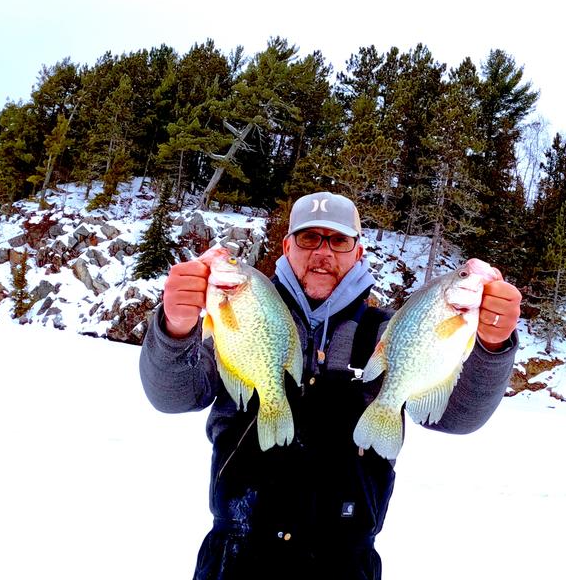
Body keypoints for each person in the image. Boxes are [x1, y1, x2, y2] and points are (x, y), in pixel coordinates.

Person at [139, 191, 522, 580]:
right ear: (287, 247)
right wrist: (175, 326)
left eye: (338, 240)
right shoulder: (245, 311)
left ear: (357, 253)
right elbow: (173, 395)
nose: (323, 252)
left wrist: (492, 345)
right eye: (309, 238)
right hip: (235, 555)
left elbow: (458, 417)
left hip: (345, 562)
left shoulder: (389, 332)